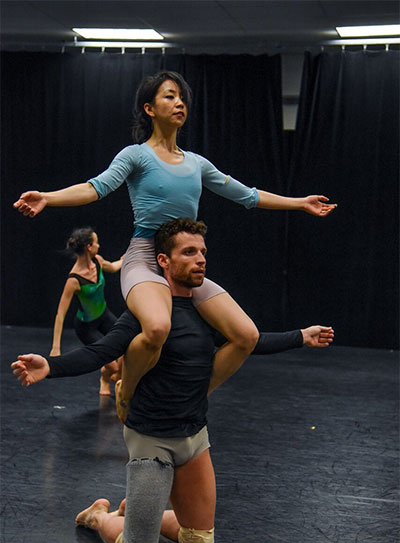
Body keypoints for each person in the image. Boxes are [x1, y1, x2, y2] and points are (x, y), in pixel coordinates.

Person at [13, 70, 337, 423]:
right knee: (155, 328)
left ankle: (192, 396)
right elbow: (96, 187)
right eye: (169, 96)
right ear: (149, 109)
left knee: (244, 335)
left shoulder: (197, 164)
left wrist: (300, 202)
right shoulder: (136, 156)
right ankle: (128, 388)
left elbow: (248, 196)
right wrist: (48, 197)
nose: (179, 102)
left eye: (182, 97)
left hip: (182, 263)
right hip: (146, 259)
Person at [11, 218, 334, 543]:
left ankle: (133, 513)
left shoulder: (207, 311)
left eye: (203, 252)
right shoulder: (148, 314)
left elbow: (249, 340)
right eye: (189, 252)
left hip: (193, 436)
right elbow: (102, 351)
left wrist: (301, 336)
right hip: (152, 437)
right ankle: (98, 517)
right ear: (164, 261)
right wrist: (51, 365)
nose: (201, 260)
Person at [51, 227, 123, 395]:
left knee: (127, 347)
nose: (99, 245)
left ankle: (118, 376)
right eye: (96, 242)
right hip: (86, 326)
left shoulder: (97, 261)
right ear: (89, 247)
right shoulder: (74, 280)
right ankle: (104, 378)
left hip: (104, 315)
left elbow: (112, 267)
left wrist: (124, 260)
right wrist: (56, 348)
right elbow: (60, 314)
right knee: (112, 365)